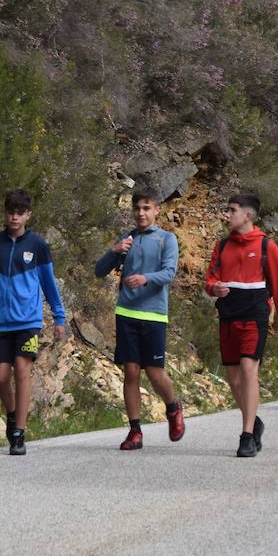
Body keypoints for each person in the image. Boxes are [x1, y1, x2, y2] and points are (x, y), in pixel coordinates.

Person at [94, 188, 185, 451]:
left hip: (154, 314)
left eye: (146, 208)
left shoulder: (167, 239)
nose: (141, 213)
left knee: (155, 373)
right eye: (137, 208)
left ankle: (172, 407)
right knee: (131, 371)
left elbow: (168, 273)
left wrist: (146, 278)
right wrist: (114, 251)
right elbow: (100, 271)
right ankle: (135, 432)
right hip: (126, 313)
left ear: (157, 210)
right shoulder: (127, 239)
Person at [204, 194, 278, 458]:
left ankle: (246, 436)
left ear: (248, 215)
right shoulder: (221, 246)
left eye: (231, 210)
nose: (227, 215)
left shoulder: (267, 246)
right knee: (233, 378)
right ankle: (254, 422)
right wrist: (214, 288)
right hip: (228, 317)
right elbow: (210, 279)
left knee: (247, 370)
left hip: (254, 317)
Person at [0, 189, 68, 456]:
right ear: (5, 213)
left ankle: (19, 432)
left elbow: (48, 283)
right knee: (0, 378)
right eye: (11, 213)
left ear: (28, 215)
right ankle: (11, 413)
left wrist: (59, 316)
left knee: (22, 369)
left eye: (20, 213)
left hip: (27, 321)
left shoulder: (38, 246)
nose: (14, 218)